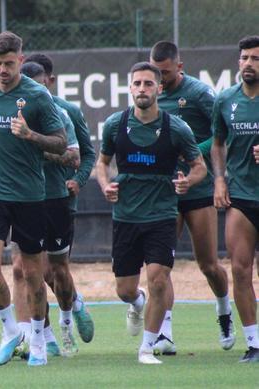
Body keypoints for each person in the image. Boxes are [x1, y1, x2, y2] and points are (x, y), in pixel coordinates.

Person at [95, 62, 206, 364]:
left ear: (158, 88)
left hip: (161, 215)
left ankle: (146, 347)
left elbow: (200, 167)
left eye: (148, 84)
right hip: (126, 217)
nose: (142, 89)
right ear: (129, 88)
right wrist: (105, 185)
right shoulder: (116, 124)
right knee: (124, 289)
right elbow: (102, 164)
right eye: (137, 84)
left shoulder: (176, 127)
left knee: (158, 279)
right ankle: (136, 302)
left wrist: (187, 182)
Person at [0, 31, 67, 367]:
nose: (3, 70)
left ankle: (38, 338)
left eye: (9, 63)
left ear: (21, 61)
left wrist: (30, 135)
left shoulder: (38, 96)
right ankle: (11, 330)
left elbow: (60, 142)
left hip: (29, 196)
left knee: (31, 275)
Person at [149, 40, 234, 355]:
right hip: (164, 193)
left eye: (165, 74)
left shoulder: (199, 94)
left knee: (208, 264)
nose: (160, 79)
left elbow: (219, 133)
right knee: (161, 266)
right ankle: (165, 333)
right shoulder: (149, 97)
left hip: (198, 189)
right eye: (155, 73)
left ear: (179, 67)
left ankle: (224, 309)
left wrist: (190, 151)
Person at [10, 59, 96, 358]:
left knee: (54, 271)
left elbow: (81, 155)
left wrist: (79, 180)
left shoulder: (66, 112)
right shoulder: (13, 111)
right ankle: (41, 336)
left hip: (57, 197)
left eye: (40, 83)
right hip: (22, 199)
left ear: (50, 81)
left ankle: (71, 311)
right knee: (25, 269)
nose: (34, 90)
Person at [211, 35, 259, 363]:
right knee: (240, 270)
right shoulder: (225, 99)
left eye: (255, 58)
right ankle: (255, 343)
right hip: (241, 195)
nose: (248, 64)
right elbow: (216, 143)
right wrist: (218, 179)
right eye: (244, 58)